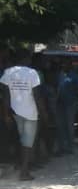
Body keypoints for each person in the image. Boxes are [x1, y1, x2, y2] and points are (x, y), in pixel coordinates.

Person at [0, 49, 42, 180]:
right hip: (30, 113)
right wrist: (43, 112)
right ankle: (24, 172)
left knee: (20, 140)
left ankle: (21, 166)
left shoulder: (8, 72)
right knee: (27, 143)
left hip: (14, 112)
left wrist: (6, 114)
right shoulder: (32, 73)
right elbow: (37, 96)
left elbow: (5, 96)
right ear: (27, 59)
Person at [56, 60, 78, 154]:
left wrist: (75, 94)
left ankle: (70, 147)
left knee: (69, 125)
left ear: (69, 66)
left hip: (70, 103)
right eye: (62, 64)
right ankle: (62, 147)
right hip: (59, 103)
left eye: (65, 64)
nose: (64, 66)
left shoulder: (74, 75)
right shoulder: (60, 74)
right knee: (60, 125)